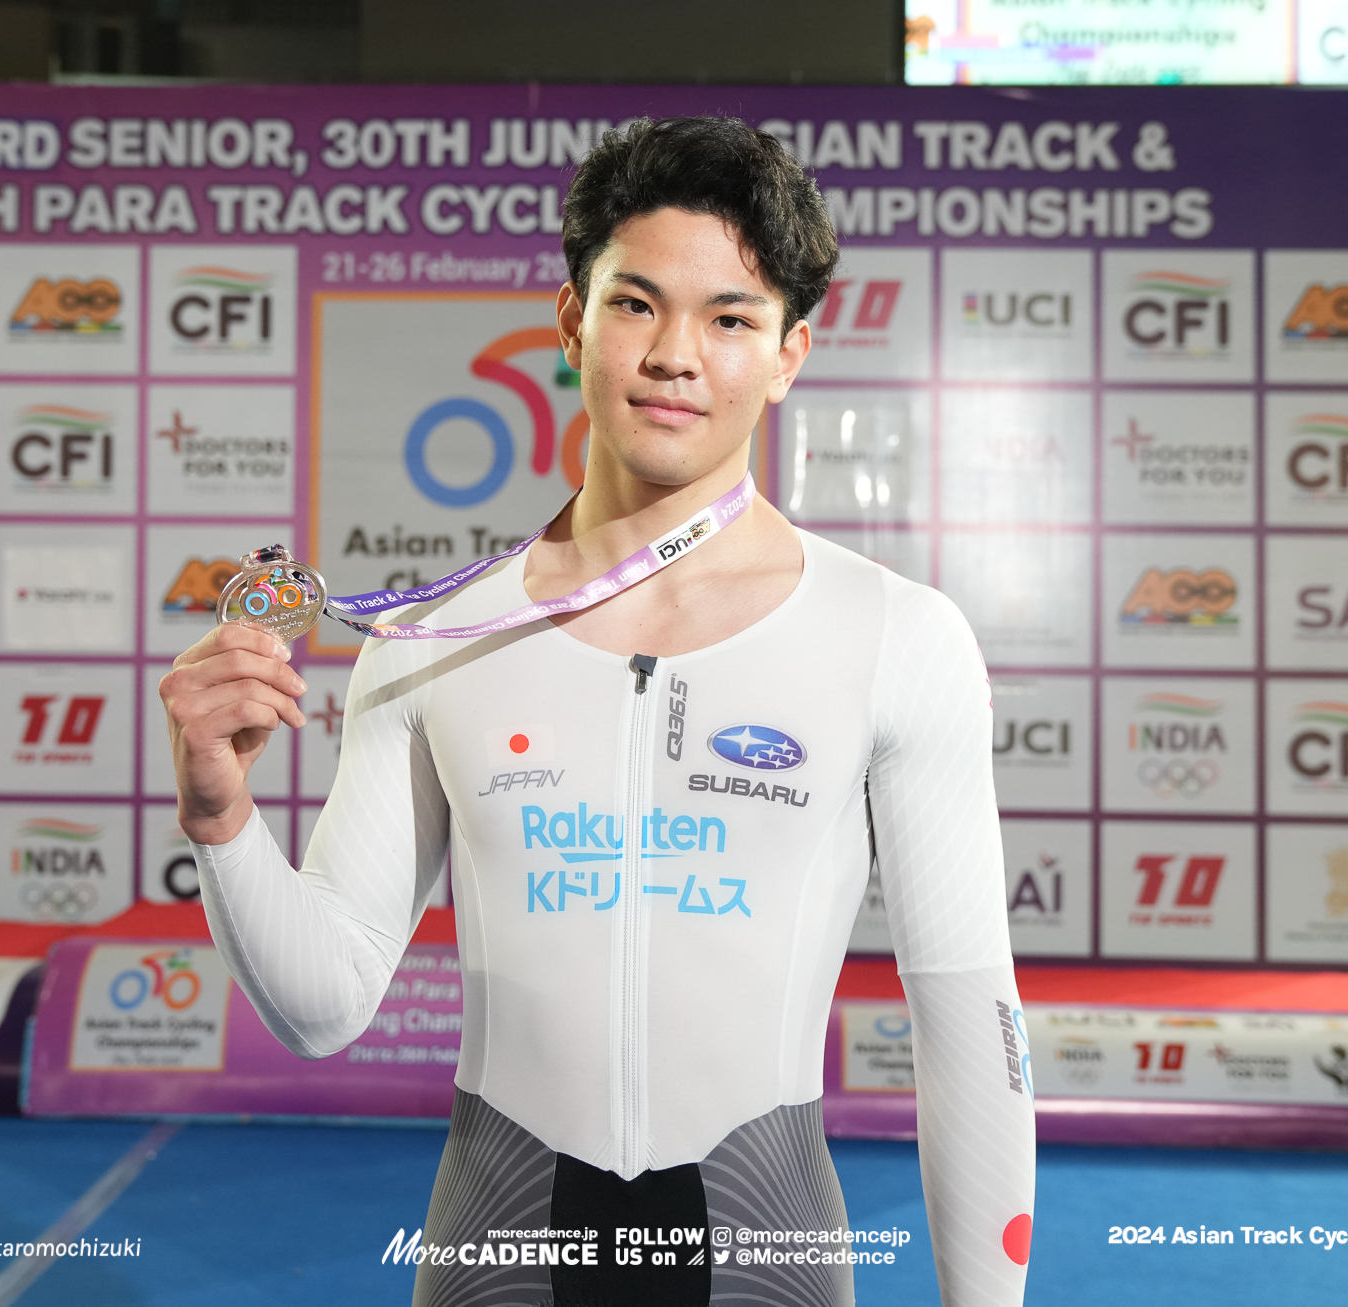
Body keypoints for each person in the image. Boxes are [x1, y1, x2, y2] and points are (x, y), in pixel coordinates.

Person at [163, 115, 1035, 1307]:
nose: (677, 353)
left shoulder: (896, 637)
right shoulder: (433, 639)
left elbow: (969, 1022)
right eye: (636, 303)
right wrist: (219, 810)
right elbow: (324, 1003)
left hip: (760, 1248)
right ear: (571, 322)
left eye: (730, 318)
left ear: (788, 354)